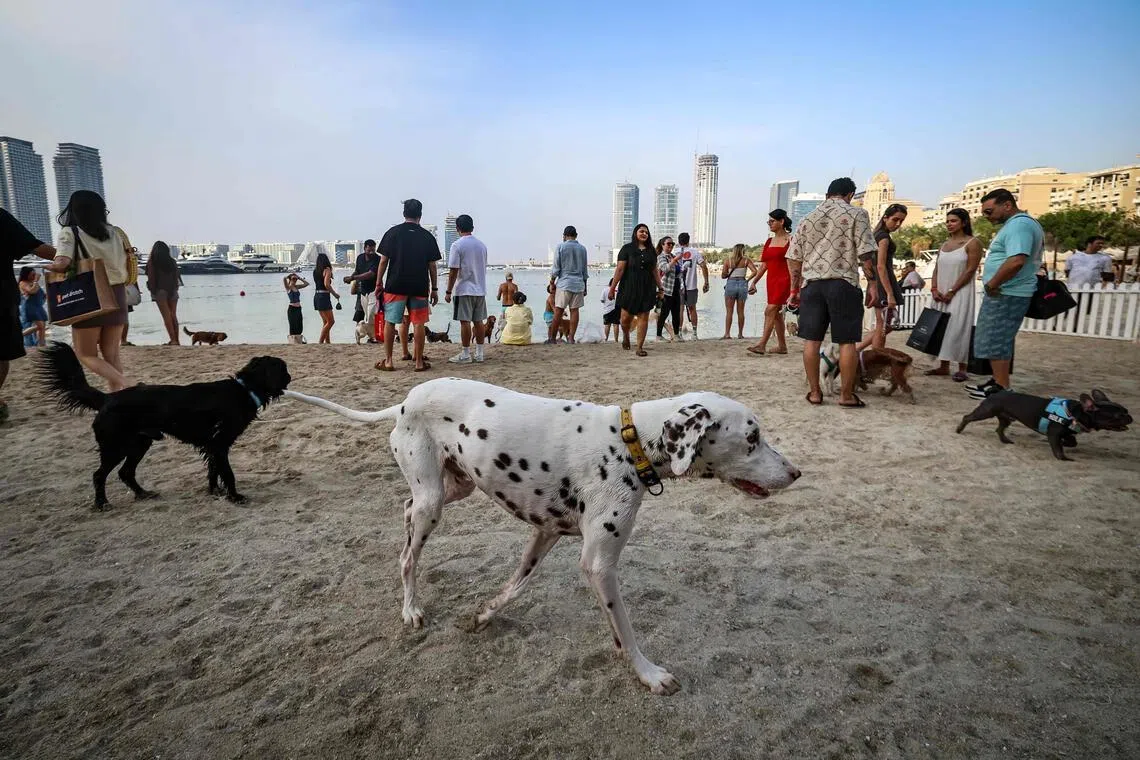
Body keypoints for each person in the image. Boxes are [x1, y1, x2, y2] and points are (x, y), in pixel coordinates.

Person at [787, 177, 875, 407]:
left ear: (827, 195)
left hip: (812, 285)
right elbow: (866, 254)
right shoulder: (857, 214)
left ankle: (815, 393)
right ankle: (846, 396)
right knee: (847, 342)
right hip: (843, 283)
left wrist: (794, 289)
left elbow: (794, 259)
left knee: (811, 341)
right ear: (850, 195)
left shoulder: (807, 219)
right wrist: (873, 284)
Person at [965, 188, 1044, 399]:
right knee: (996, 339)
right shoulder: (1020, 224)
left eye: (989, 211)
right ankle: (997, 381)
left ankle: (1002, 388)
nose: (986, 216)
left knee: (996, 339)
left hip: (1007, 291)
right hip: (1008, 291)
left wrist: (992, 283)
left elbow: (1017, 260)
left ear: (1007, 205)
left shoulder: (1020, 225)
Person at [52, 191, 133, 391]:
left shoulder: (70, 232)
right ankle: (120, 399)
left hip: (89, 294)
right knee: (112, 354)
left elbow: (62, 263)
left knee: (85, 354)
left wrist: (50, 267)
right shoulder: (116, 232)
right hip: (118, 295)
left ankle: (126, 386)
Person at [1, 209, 57, 422]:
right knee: (2, 354)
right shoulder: (1, 218)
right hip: (2, 299)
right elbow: (37, 247)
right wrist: (72, 258)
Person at [375, 198, 441, 372]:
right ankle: (418, 362)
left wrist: (378, 282)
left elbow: (383, 261)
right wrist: (434, 289)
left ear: (404, 213)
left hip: (395, 284)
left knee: (390, 322)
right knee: (418, 323)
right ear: (420, 215)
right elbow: (432, 266)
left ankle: (388, 361)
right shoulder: (427, 236)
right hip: (419, 285)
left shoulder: (392, 233)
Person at [926, 208, 982, 381]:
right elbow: (937, 268)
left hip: (960, 291)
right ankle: (944, 366)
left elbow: (971, 269)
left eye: (953, 221)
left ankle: (962, 368)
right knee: (942, 326)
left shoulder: (972, 243)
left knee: (959, 327)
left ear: (964, 222)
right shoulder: (944, 244)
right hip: (941, 291)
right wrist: (934, 288)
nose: (949, 224)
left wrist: (953, 290)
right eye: (948, 221)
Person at [856, 203, 907, 352]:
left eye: (901, 221)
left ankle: (860, 350)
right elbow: (880, 266)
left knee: (883, 324)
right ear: (885, 218)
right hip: (884, 283)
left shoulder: (875, 235)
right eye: (895, 219)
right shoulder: (883, 237)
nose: (898, 224)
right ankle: (874, 357)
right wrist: (890, 293)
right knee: (884, 325)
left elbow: (868, 263)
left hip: (878, 282)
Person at [611, 223, 661, 357]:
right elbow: (620, 269)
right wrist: (612, 288)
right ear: (635, 233)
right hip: (628, 287)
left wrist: (660, 287)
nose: (644, 234)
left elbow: (654, 270)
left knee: (643, 317)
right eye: (641, 231)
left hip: (647, 288)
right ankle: (626, 335)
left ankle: (639, 347)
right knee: (625, 319)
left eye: (646, 232)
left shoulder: (651, 251)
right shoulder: (626, 249)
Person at [747, 209, 793, 354]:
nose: (770, 224)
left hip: (785, 279)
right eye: (769, 221)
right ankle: (782, 346)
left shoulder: (791, 240)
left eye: (772, 221)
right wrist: (754, 281)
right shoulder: (768, 241)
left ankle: (762, 344)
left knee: (770, 310)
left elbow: (796, 262)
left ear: (782, 222)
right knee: (777, 314)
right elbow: (765, 265)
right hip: (772, 281)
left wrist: (796, 285)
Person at [445, 214, 489, 363]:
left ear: (457, 228)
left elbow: (453, 270)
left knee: (465, 322)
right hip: (480, 288)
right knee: (479, 321)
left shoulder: (457, 245)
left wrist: (448, 291)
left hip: (463, 289)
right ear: (472, 227)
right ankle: (480, 353)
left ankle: (465, 353)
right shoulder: (481, 245)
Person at [548, 225, 589, 344]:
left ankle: (552, 338)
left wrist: (552, 282)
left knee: (558, 310)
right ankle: (571, 338)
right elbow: (584, 271)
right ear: (576, 236)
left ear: (564, 236)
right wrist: (585, 287)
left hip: (564, 283)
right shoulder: (582, 249)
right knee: (574, 311)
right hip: (579, 284)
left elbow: (556, 268)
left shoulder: (560, 247)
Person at [145, 241, 184, 344]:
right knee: (173, 315)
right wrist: (175, 288)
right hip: (173, 290)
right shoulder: (172, 261)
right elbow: (176, 277)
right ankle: (177, 340)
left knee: (166, 317)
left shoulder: (152, 262)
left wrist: (152, 291)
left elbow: (152, 278)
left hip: (160, 291)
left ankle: (173, 340)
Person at [345, 238, 380, 342]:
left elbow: (371, 274)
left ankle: (371, 335)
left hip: (374, 290)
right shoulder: (360, 258)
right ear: (365, 248)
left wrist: (353, 278)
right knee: (366, 314)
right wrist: (350, 277)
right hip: (363, 291)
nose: (371, 252)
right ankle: (372, 337)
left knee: (371, 314)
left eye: (373, 250)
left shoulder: (377, 259)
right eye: (369, 250)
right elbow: (357, 271)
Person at [675, 232, 709, 338]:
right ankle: (694, 333)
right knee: (692, 308)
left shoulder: (674, 252)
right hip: (691, 285)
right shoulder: (695, 252)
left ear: (678, 241)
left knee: (679, 309)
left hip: (677, 285)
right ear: (688, 241)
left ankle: (679, 333)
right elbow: (703, 266)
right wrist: (706, 282)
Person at [721, 243, 757, 339]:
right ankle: (740, 334)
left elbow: (723, 275)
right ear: (743, 251)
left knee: (729, 311)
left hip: (731, 284)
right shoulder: (746, 261)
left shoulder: (728, 261)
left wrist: (727, 273)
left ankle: (727, 334)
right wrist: (748, 280)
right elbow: (755, 271)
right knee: (740, 311)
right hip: (742, 284)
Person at [654, 236, 683, 341]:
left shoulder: (672, 256)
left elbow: (679, 271)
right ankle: (658, 335)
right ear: (662, 245)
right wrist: (674, 260)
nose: (671, 246)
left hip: (676, 287)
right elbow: (665, 269)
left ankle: (676, 335)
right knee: (664, 313)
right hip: (665, 289)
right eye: (668, 244)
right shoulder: (660, 257)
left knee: (676, 312)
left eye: (672, 244)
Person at [312, 252, 340, 344]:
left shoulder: (315, 271)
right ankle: (320, 342)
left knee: (325, 322)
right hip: (324, 296)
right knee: (331, 321)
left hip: (317, 296)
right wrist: (335, 294)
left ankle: (327, 342)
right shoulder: (327, 270)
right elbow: (326, 284)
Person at [18, 267, 48, 347]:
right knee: (39, 326)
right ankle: (19, 335)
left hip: (38, 306)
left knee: (42, 327)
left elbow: (42, 295)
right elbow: (32, 291)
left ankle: (42, 345)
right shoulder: (23, 283)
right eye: (32, 274)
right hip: (30, 307)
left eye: (35, 274)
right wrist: (35, 281)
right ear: (26, 275)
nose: (34, 276)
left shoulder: (34, 283)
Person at [284, 272, 309, 342]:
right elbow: (284, 279)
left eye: (295, 279)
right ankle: (292, 341)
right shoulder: (288, 287)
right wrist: (288, 277)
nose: (295, 280)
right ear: (290, 279)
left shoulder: (296, 287)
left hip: (298, 308)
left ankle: (298, 340)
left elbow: (306, 284)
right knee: (292, 325)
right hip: (292, 309)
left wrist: (299, 278)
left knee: (299, 325)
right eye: (293, 279)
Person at [600, 277, 620, 341]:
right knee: (616, 325)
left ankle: (606, 339)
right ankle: (616, 340)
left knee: (607, 325)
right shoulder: (618, 290)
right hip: (616, 309)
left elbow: (602, 300)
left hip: (607, 310)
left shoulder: (605, 290)